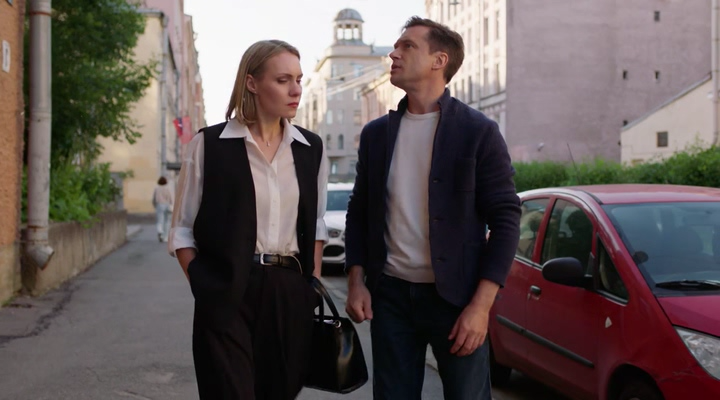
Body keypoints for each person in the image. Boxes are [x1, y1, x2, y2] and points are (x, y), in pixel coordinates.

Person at [344, 17, 521, 400]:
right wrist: (356, 281)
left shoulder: (478, 132)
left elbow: (506, 220)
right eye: (396, 46)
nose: (394, 54)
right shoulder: (376, 135)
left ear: (439, 61)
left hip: (457, 299)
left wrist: (481, 307)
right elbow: (359, 212)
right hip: (391, 296)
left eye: (407, 46)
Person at [168, 39, 328, 400]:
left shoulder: (311, 148)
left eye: (299, 80)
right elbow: (182, 228)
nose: (295, 90)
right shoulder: (209, 144)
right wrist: (204, 284)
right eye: (283, 80)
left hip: (289, 292)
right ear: (252, 83)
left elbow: (315, 223)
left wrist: (311, 284)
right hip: (226, 288)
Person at [152, 176, 174, 242]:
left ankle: (160, 231)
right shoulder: (168, 188)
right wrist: (172, 205)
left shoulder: (156, 188)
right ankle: (166, 237)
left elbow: (154, 198)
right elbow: (171, 197)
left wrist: (154, 205)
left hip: (159, 205)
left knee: (160, 220)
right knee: (167, 221)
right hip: (167, 205)